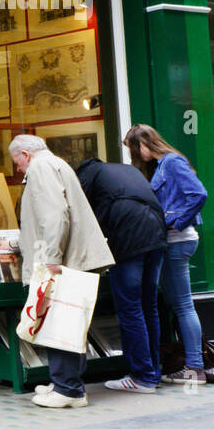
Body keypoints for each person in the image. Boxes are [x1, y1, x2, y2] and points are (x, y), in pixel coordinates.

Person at [10, 135, 115, 408]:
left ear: (25, 154)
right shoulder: (57, 164)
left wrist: (52, 258)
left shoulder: (40, 168)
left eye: (16, 163)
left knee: (59, 323)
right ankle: (65, 384)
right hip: (73, 258)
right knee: (68, 322)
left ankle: (69, 391)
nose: (18, 169)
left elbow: (55, 215)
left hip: (62, 261)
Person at [124, 124, 210, 384]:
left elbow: (199, 194)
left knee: (183, 305)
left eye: (133, 149)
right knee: (179, 305)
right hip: (174, 241)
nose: (135, 156)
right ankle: (192, 365)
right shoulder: (163, 165)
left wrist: (176, 222)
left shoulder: (171, 162)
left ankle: (195, 368)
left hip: (178, 240)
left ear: (143, 144)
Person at [75, 157, 167, 392]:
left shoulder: (89, 174)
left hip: (129, 238)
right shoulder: (125, 170)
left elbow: (80, 212)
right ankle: (153, 372)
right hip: (157, 233)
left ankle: (142, 377)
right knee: (149, 307)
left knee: (130, 308)